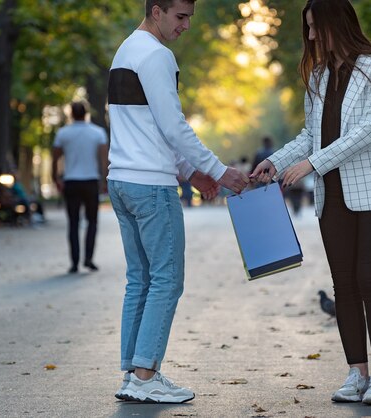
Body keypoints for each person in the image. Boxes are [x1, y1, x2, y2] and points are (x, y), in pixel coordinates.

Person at [251, 0, 371, 405]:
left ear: (336, 23)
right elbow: (310, 135)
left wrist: (310, 164)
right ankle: (356, 372)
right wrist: (274, 161)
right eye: (307, 28)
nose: (311, 36)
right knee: (344, 286)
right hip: (332, 194)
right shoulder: (319, 76)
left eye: (315, 27)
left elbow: (367, 132)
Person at [107, 0, 249, 404]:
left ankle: (134, 375)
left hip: (121, 180)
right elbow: (173, 124)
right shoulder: (157, 55)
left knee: (140, 280)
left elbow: (150, 126)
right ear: (156, 11)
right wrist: (219, 170)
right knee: (167, 280)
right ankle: (146, 373)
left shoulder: (126, 50)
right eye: (180, 17)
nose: (185, 26)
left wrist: (192, 172)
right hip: (151, 186)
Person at [52, 101, 108, 274]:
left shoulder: (63, 133)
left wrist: (55, 179)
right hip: (90, 181)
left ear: (71, 114)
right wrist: (105, 181)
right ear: (86, 113)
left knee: (73, 223)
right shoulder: (98, 133)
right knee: (92, 222)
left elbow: (55, 159)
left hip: (71, 181)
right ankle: (89, 259)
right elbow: (104, 159)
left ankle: (74, 262)